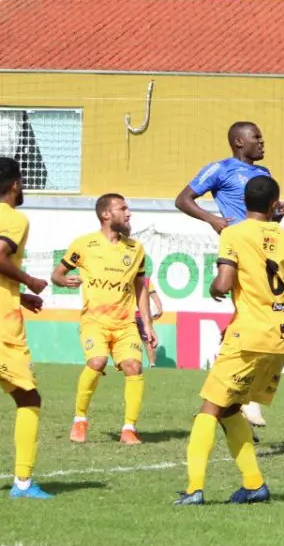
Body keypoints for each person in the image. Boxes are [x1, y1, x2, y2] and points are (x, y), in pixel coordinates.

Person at [175, 175, 284, 505]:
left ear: (244, 202)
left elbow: (224, 282)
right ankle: (253, 484)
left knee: (209, 409)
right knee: (231, 408)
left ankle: (193, 490)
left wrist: (215, 288)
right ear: (275, 205)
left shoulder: (234, 233)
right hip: (281, 334)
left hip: (249, 335)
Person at [176, 121, 284, 429]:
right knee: (253, 312)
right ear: (239, 142)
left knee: (255, 313)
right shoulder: (219, 169)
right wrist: (212, 219)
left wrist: (278, 214)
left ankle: (231, 384)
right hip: (238, 249)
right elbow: (183, 199)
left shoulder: (264, 175)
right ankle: (244, 397)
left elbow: (266, 215)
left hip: (264, 250)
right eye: (257, 137)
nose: (263, 142)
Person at [53, 194, 155, 445]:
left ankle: (129, 429)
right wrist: (63, 281)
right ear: (106, 214)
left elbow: (140, 287)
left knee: (134, 366)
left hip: (125, 324)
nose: (129, 213)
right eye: (123, 208)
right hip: (94, 322)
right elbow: (58, 273)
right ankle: (80, 421)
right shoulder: (84, 244)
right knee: (97, 361)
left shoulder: (136, 248)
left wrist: (148, 324)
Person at [0, 157, 52, 499]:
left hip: (8, 309)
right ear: (16, 183)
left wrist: (19, 297)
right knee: (28, 396)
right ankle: (22, 484)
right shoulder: (12, 218)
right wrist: (29, 280)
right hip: (3, 329)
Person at [137, 280, 164, 368]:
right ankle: (121, 363)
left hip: (143, 314)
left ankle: (152, 364)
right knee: (124, 338)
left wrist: (159, 308)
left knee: (148, 339)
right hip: (126, 314)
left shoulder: (145, 279)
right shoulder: (124, 275)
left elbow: (154, 295)